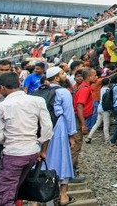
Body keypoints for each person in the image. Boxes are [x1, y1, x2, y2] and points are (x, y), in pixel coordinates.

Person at [0, 72, 53, 206]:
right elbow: (48, 128)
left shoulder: (1, 107)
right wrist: (40, 145)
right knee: (15, 189)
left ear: (2, 88)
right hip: (32, 152)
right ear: (18, 84)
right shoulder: (37, 101)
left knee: (5, 194)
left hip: (13, 154)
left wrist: (9, 140)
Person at [43, 67, 76, 205]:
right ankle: (63, 196)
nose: (64, 75)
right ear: (56, 78)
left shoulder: (40, 91)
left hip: (44, 129)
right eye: (62, 74)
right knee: (63, 160)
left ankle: (46, 198)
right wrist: (71, 134)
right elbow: (69, 114)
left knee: (46, 160)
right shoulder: (64, 92)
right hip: (60, 127)